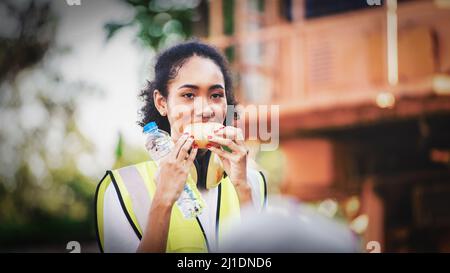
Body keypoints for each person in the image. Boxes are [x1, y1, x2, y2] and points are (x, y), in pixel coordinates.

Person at [95, 41, 267, 253]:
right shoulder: (120, 188)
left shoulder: (254, 183)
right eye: (188, 95)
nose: (205, 110)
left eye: (216, 95)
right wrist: (163, 201)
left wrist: (244, 189)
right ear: (161, 103)